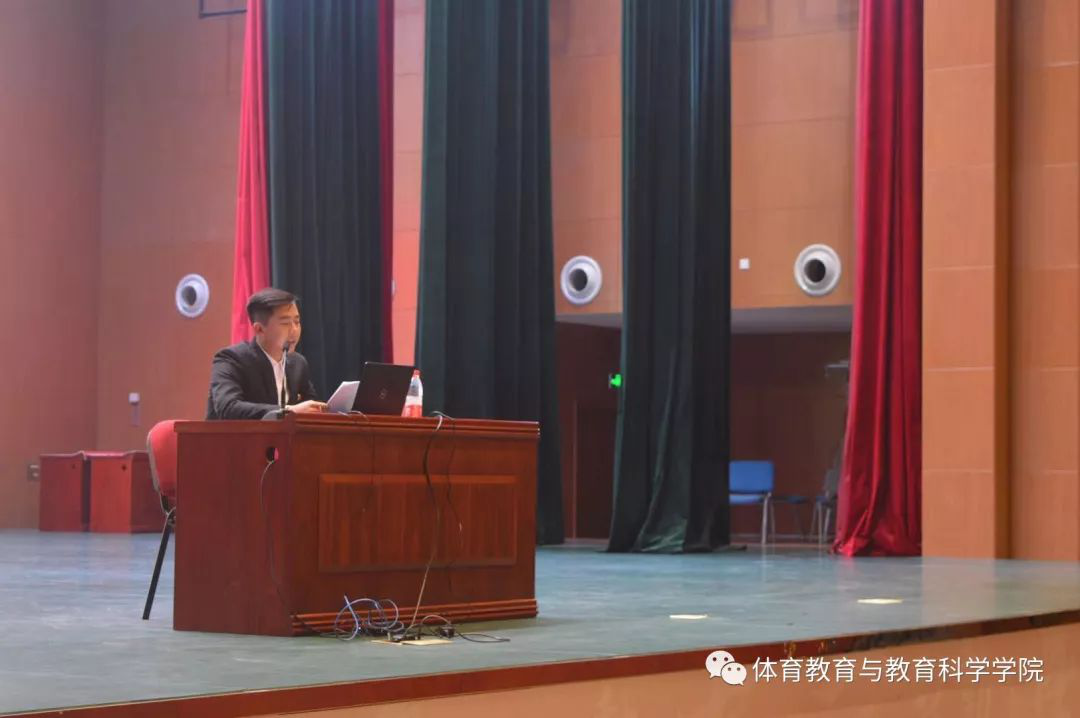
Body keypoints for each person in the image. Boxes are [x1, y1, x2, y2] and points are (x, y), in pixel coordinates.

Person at [205, 288, 327, 420]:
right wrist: (288, 411)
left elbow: (310, 406)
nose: (294, 330)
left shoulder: (298, 363)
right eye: (285, 323)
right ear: (259, 329)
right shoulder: (231, 359)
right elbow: (228, 408)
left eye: (297, 322)